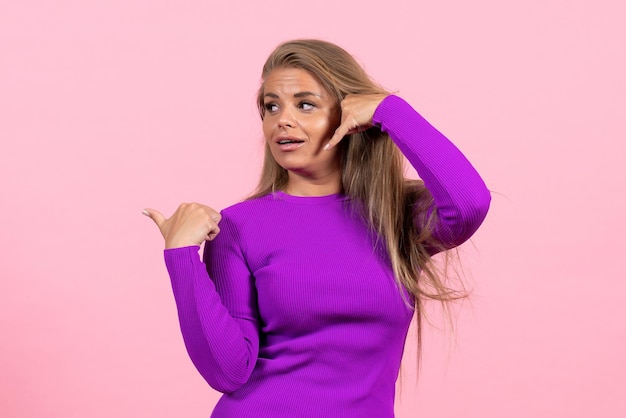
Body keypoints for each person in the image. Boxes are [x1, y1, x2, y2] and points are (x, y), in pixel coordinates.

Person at [143, 39, 490, 417]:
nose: (281, 120)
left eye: (305, 104)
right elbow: (227, 371)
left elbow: (469, 204)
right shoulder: (238, 227)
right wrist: (180, 256)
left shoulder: (396, 217)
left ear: (348, 115)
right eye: (271, 106)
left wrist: (390, 111)